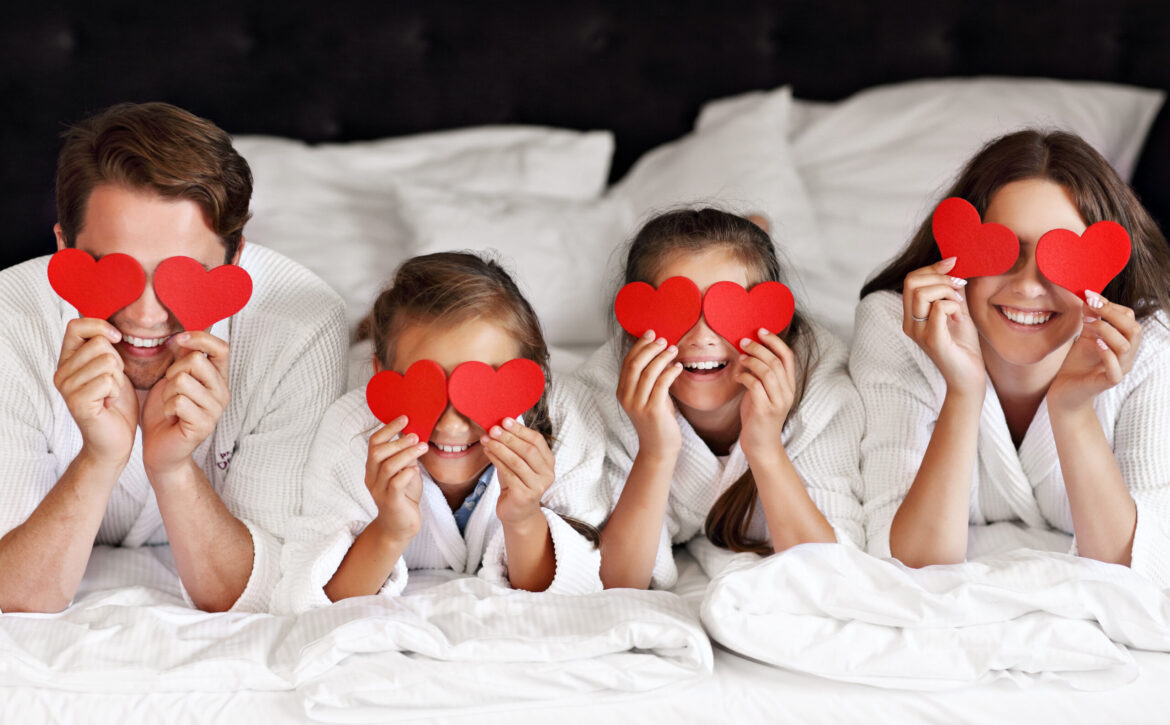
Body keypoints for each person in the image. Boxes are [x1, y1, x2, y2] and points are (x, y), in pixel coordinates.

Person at [0, 102, 347, 612]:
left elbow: (260, 594)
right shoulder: (10, 320)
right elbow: (16, 596)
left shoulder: (301, 328)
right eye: (114, 269)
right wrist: (99, 459)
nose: (144, 317)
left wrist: (174, 468)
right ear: (62, 248)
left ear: (235, 258)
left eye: (179, 275)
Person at [853, 129, 1170, 585]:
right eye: (1003, 252)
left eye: (1061, 260)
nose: (1027, 286)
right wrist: (963, 390)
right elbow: (911, 564)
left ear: (1105, 271)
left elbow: (1136, 573)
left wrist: (1073, 410)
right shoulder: (897, 328)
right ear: (959, 252)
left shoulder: (1148, 348)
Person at [275, 252, 604, 612]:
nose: (450, 425)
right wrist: (390, 528)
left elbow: (582, 587)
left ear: (521, 385)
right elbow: (304, 600)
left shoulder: (567, 423)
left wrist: (523, 516)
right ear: (381, 373)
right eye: (424, 391)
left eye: (478, 392)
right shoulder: (350, 433)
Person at [574, 208, 865, 590]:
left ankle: (759, 228)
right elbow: (617, 581)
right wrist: (655, 452)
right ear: (634, 328)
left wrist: (765, 446)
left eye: (727, 311)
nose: (701, 337)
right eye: (677, 312)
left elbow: (830, 573)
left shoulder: (821, 389)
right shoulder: (599, 396)